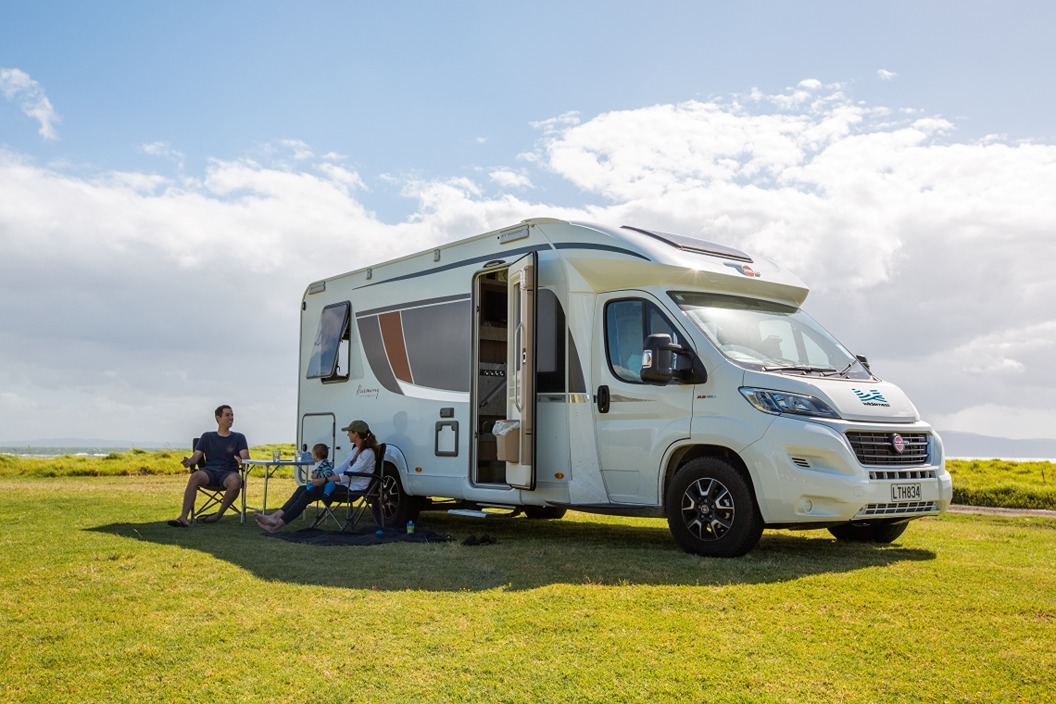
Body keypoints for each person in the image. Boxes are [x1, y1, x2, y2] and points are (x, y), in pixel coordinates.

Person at [255, 420, 377, 533]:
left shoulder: (367, 453)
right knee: (302, 488)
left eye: (349, 432)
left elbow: (348, 476)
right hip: (341, 485)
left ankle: (276, 525)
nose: (347, 435)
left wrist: (324, 480)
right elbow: (342, 468)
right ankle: (275, 517)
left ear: (356, 434)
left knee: (308, 493)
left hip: (352, 490)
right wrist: (323, 475)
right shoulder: (356, 450)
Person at [168, 405, 250, 527]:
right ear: (218, 418)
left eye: (232, 415)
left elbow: (246, 459)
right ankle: (183, 517)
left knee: (236, 479)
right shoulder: (207, 437)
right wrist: (189, 462)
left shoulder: (239, 437)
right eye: (227, 415)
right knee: (195, 476)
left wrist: (242, 461)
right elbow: (195, 457)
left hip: (228, 473)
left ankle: (217, 515)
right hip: (209, 472)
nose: (231, 418)